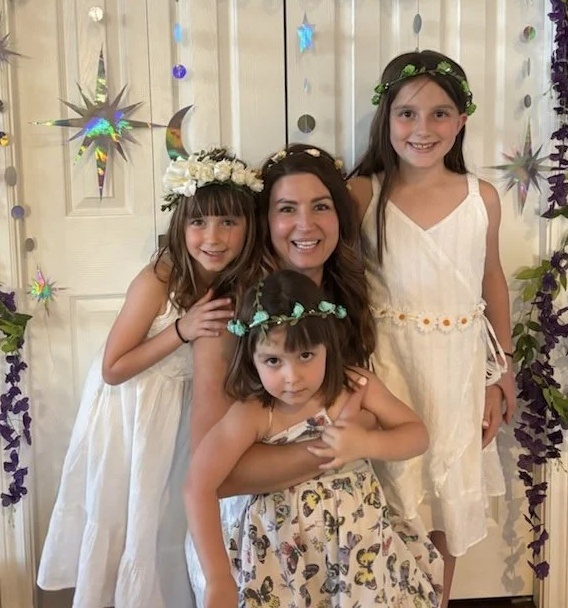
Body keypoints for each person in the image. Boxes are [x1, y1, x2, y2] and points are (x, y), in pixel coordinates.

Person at [37, 147, 262, 608]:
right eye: (199, 223)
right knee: (140, 515)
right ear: (180, 226)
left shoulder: (246, 280)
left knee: (179, 519)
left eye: (228, 223)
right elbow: (113, 368)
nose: (213, 238)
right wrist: (182, 329)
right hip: (136, 411)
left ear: (249, 227)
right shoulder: (159, 277)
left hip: (191, 410)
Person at [350, 50, 517, 607]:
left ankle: (434, 600)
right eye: (407, 114)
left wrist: (502, 374)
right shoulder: (364, 194)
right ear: (386, 118)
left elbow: (491, 283)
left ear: (462, 119)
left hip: (457, 372)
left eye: (440, 114)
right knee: (391, 495)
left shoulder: (481, 199)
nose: (423, 130)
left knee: (446, 497)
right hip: (388, 369)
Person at [185, 144, 379, 603]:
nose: (305, 225)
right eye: (286, 209)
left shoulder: (345, 295)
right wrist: (338, 445)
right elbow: (219, 475)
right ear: (264, 222)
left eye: (321, 207)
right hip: (257, 542)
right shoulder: (231, 316)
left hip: (336, 530)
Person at [184, 269, 444, 608]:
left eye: (306, 355)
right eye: (273, 361)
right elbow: (197, 485)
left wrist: (365, 443)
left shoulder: (353, 387)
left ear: (328, 345)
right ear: (252, 358)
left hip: (357, 556)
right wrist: (218, 578)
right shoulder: (254, 413)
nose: (292, 377)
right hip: (281, 563)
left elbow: (416, 434)